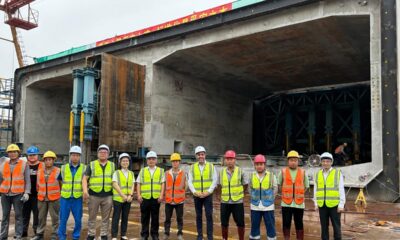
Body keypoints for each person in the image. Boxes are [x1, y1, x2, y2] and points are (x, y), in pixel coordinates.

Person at [82, 144, 115, 240]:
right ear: (97, 154)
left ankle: (104, 234)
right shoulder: (91, 165)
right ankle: (91, 234)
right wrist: (85, 191)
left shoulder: (112, 166)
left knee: (106, 217)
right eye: (101, 152)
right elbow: (84, 179)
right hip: (93, 195)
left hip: (108, 195)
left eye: (105, 152)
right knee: (92, 217)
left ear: (108, 154)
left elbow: (115, 181)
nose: (103, 154)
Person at [0, 144, 31, 240]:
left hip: (18, 194)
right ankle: (3, 235)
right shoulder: (3, 164)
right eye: (10, 152)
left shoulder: (24, 164)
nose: (12, 154)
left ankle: (18, 235)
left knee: (18, 216)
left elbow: (27, 180)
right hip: (5, 194)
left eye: (14, 152)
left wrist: (26, 192)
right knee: (5, 216)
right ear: (8, 153)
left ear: (18, 153)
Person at [188, 146, 218, 240]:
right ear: (196, 156)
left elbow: (214, 180)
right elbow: (190, 181)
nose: (200, 156)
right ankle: (199, 236)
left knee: (209, 215)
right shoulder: (192, 168)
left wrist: (208, 192)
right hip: (197, 196)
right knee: (199, 216)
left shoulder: (211, 166)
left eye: (202, 154)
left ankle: (210, 236)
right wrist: (194, 192)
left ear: (205, 155)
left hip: (207, 195)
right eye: (198, 154)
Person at [314, 152, 345, 240]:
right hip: (322, 205)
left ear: (331, 162)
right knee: (324, 227)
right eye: (323, 161)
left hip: (334, 205)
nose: (325, 163)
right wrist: (316, 203)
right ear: (321, 162)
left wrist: (341, 205)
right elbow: (316, 189)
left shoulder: (337, 173)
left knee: (336, 227)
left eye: (327, 161)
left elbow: (341, 189)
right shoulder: (318, 174)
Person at [278, 150, 309, 240]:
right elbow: (279, 185)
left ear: (298, 161)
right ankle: (287, 238)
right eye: (291, 160)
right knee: (286, 223)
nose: (293, 162)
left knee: (299, 223)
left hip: (299, 204)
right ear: (288, 161)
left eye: (295, 160)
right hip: (286, 203)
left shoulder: (303, 172)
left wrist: (299, 194)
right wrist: (285, 193)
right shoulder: (283, 172)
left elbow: (306, 186)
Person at [217, 150, 248, 240]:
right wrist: (219, 196)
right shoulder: (222, 172)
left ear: (235, 160)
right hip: (225, 201)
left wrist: (240, 194)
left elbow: (245, 185)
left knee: (240, 223)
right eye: (228, 159)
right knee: (224, 223)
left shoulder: (240, 171)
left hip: (237, 201)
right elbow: (219, 185)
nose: (229, 161)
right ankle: (224, 238)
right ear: (225, 160)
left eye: (231, 159)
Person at [58, 146, 86, 240]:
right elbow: (60, 181)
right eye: (73, 155)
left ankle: (76, 236)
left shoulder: (84, 168)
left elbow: (86, 182)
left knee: (78, 220)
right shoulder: (63, 168)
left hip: (77, 198)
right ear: (70, 156)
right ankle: (62, 237)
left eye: (77, 155)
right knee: (63, 219)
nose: (75, 157)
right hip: (65, 198)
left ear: (80, 156)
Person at [32, 151, 61, 240]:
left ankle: (55, 234)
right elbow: (38, 185)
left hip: (54, 198)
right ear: (44, 161)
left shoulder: (58, 171)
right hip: (42, 198)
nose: (48, 161)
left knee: (55, 217)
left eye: (50, 160)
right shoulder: (39, 171)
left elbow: (61, 184)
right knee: (41, 217)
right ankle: (39, 234)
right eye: (46, 160)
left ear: (53, 160)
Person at [137, 151, 165, 240]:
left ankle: (155, 235)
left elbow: (162, 184)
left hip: (156, 198)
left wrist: (161, 195)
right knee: (144, 218)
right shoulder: (143, 170)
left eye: (153, 159)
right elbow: (138, 183)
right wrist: (138, 195)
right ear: (147, 160)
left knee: (155, 218)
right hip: (145, 198)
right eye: (149, 159)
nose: (151, 161)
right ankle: (144, 235)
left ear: (156, 160)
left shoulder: (160, 171)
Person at [249, 154, 277, 240]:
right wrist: (254, 197)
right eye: (257, 164)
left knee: (270, 227)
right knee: (254, 227)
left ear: (264, 165)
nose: (259, 166)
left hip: (268, 207)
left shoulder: (271, 175)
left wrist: (270, 199)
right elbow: (249, 189)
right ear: (255, 165)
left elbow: (275, 188)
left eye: (261, 164)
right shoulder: (252, 175)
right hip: (255, 206)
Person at [163, 153, 186, 240]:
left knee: (179, 218)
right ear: (171, 162)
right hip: (169, 201)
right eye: (173, 161)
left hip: (179, 201)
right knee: (167, 219)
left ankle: (180, 233)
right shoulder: (166, 173)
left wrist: (182, 194)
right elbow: (164, 185)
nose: (175, 163)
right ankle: (166, 233)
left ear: (179, 162)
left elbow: (186, 186)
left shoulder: (183, 174)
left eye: (176, 161)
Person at [111, 153, 135, 240]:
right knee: (116, 217)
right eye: (123, 161)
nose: (125, 162)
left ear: (129, 162)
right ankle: (114, 236)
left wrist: (130, 195)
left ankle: (123, 234)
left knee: (125, 217)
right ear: (120, 162)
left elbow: (133, 185)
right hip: (118, 199)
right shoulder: (116, 173)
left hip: (128, 200)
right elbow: (114, 184)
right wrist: (123, 195)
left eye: (127, 161)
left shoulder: (131, 173)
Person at [22, 146, 43, 237]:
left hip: (37, 194)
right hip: (26, 194)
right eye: (30, 155)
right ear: (27, 156)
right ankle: (23, 231)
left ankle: (36, 232)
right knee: (24, 214)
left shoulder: (42, 165)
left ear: (37, 155)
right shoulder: (24, 165)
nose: (32, 157)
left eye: (34, 155)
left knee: (37, 215)